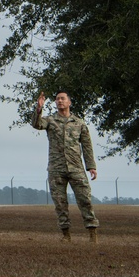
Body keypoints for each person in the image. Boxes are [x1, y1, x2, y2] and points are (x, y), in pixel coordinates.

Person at [32, 91, 100, 242]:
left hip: (76, 167)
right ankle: (66, 235)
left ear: (69, 102)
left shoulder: (79, 123)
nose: (60, 101)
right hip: (56, 168)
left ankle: (92, 233)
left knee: (85, 200)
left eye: (63, 99)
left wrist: (91, 167)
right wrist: (38, 109)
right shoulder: (50, 120)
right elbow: (37, 124)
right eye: (57, 99)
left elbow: (87, 146)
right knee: (60, 203)